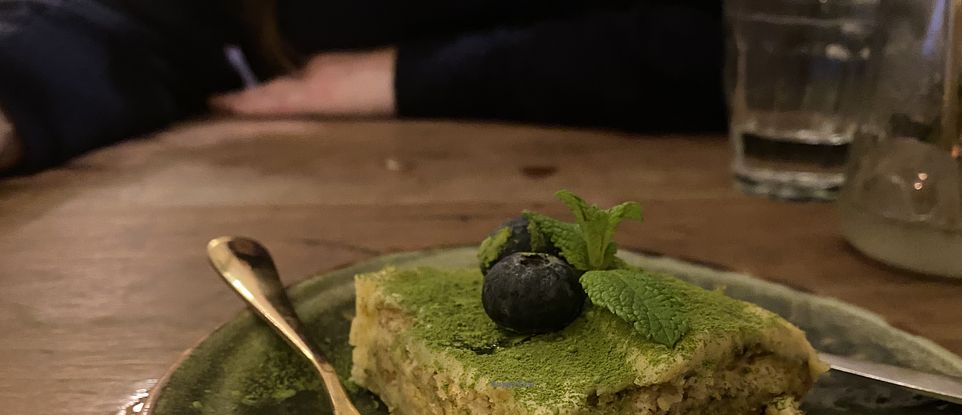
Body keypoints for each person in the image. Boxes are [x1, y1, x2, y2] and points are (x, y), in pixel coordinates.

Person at [0, 0, 727, 174]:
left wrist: (416, 74)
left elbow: (726, 38)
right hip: (323, 181)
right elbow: (139, 20)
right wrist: (20, 89)